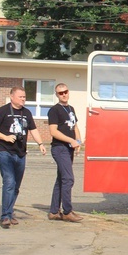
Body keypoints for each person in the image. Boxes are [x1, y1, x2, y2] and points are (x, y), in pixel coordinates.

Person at [0, 86, 47, 229]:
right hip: (5, 152)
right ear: (12, 97)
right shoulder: (2, 111)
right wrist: (5, 137)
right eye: (20, 97)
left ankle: (9, 211)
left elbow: (33, 129)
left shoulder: (26, 113)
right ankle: (5, 216)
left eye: (25, 97)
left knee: (16, 186)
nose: (23, 99)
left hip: (20, 153)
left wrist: (40, 144)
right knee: (9, 182)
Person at [47, 83, 83, 223]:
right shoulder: (54, 110)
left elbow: (75, 126)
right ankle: (67, 211)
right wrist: (70, 140)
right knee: (68, 179)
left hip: (68, 148)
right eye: (60, 93)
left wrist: (78, 141)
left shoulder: (70, 108)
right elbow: (53, 131)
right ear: (57, 95)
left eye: (65, 92)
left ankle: (54, 211)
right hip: (59, 148)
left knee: (61, 180)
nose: (63, 94)